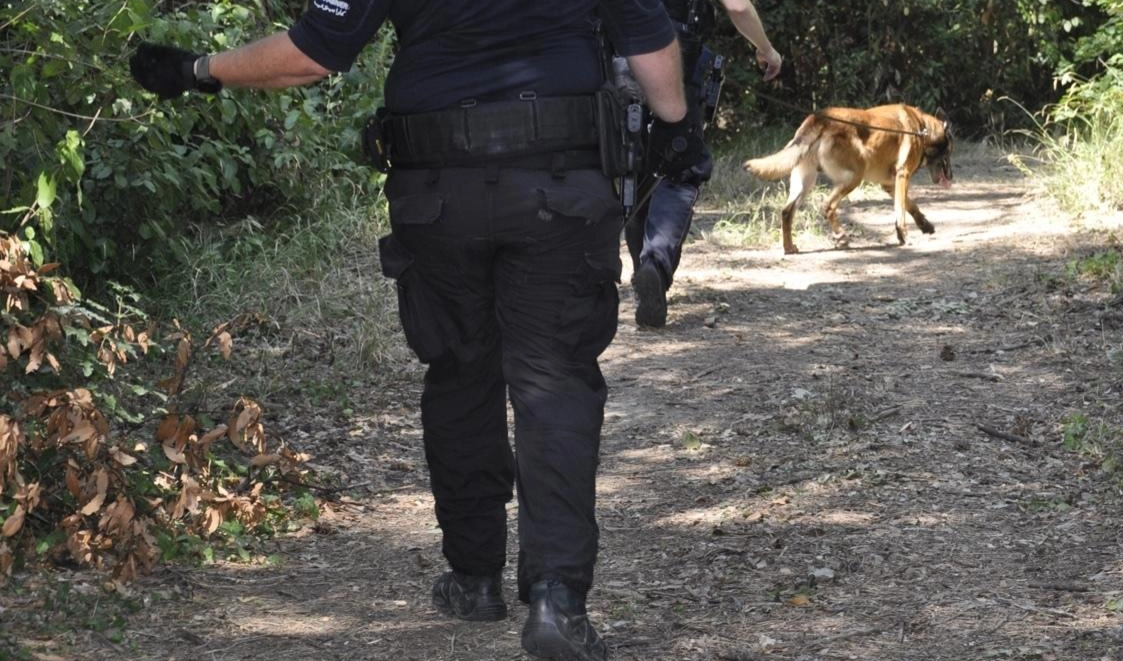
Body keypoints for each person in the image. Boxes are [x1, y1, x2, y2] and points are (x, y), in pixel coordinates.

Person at [128, 3, 705, 660]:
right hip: (559, 187)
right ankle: (556, 601)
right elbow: (655, 60)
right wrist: (676, 127)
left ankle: (473, 576)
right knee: (556, 381)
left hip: (436, 190)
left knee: (461, 370)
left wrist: (197, 69)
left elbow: (310, 55)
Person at [627, 0, 783, 327]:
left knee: (631, 165)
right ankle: (653, 264)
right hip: (673, 55)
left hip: (616, 56)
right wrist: (767, 50)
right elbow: (738, 7)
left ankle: (641, 273)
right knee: (680, 168)